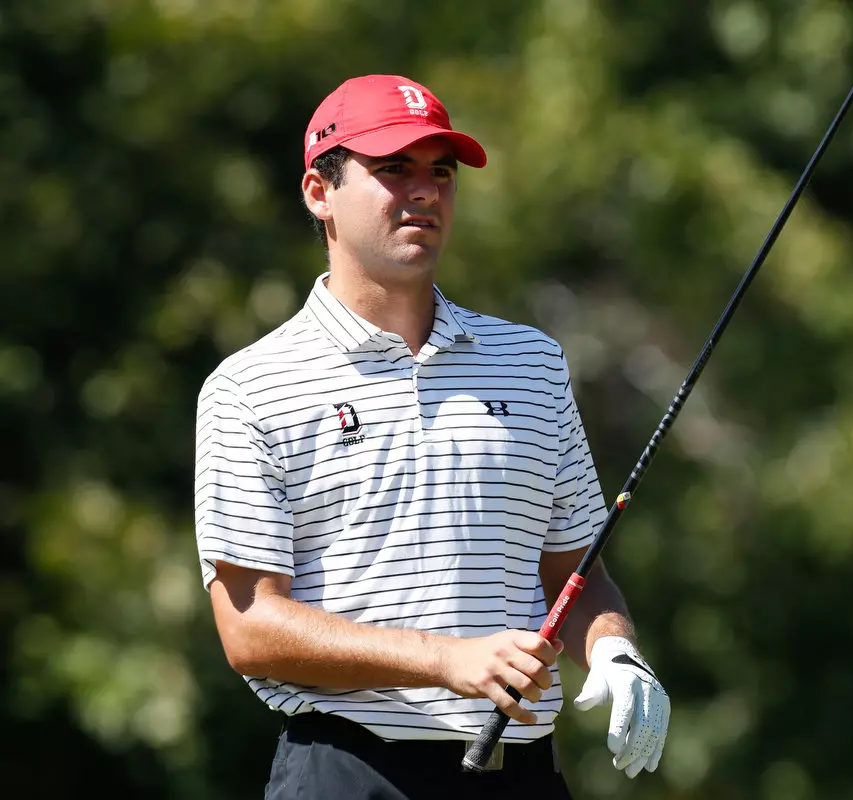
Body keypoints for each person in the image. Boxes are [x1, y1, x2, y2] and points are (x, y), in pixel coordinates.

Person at [192, 74, 670, 799]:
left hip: (521, 775)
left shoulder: (532, 364)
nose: (424, 191)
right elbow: (250, 626)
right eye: (394, 169)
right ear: (319, 193)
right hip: (350, 774)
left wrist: (614, 650)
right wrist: (446, 660)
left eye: (441, 172)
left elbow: (576, 574)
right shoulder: (250, 385)